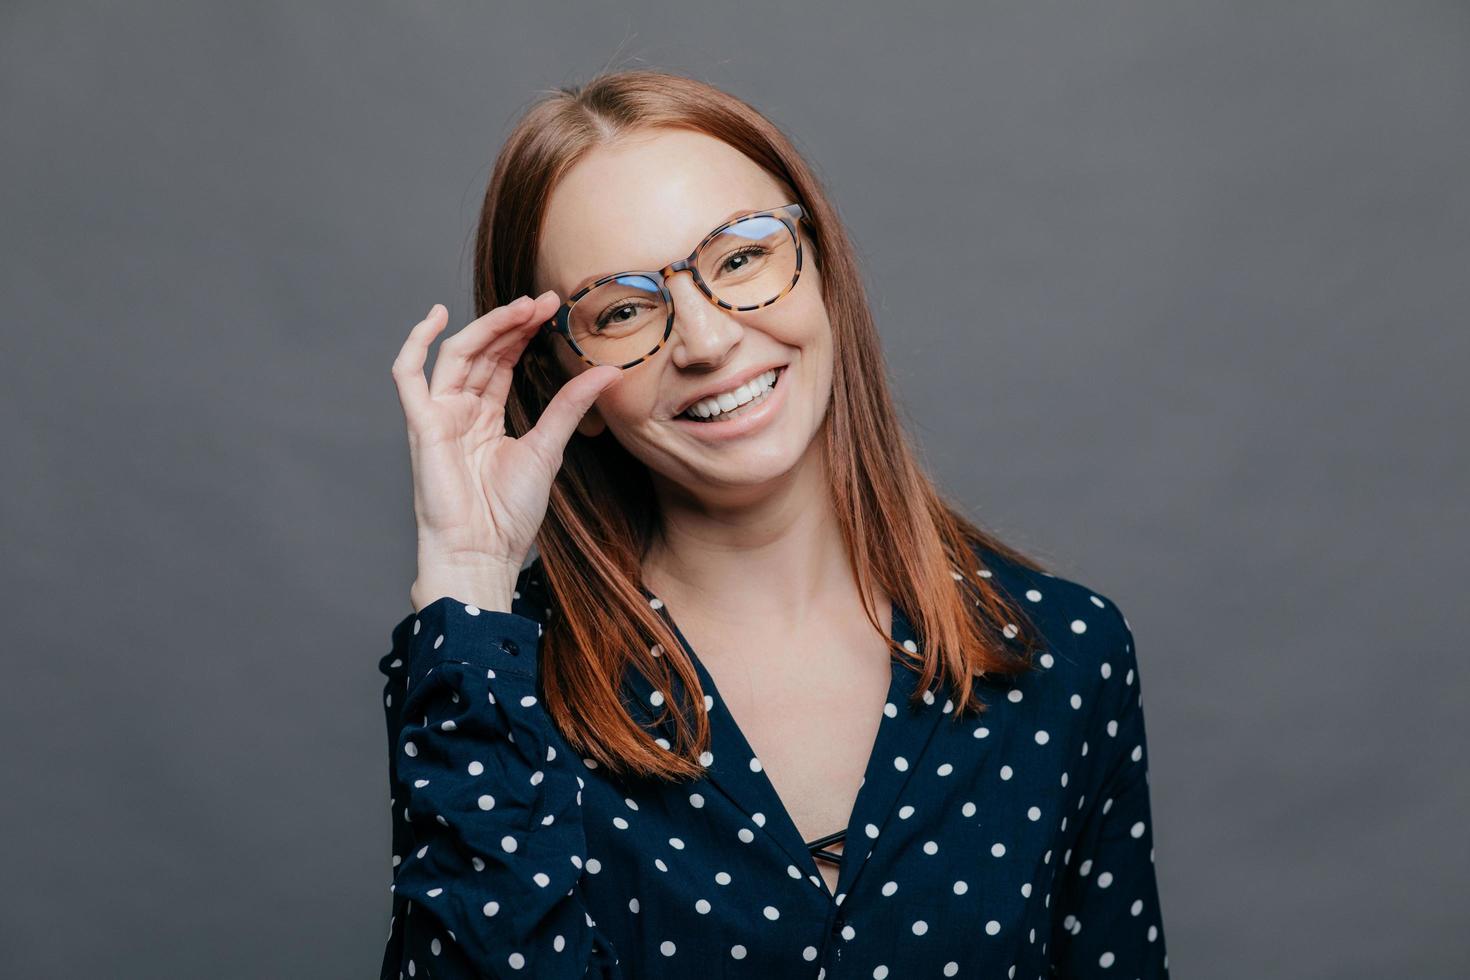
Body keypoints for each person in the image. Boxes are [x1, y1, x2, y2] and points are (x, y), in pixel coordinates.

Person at [379, 68, 1169, 978]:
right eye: (626, 310)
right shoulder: (492, 682)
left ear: (820, 265)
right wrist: (468, 573)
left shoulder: (1065, 656)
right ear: (566, 386)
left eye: (741, 257)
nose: (708, 342)